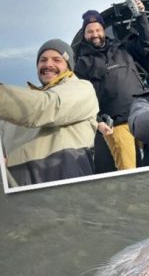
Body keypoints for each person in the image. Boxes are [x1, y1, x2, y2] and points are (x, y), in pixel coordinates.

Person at [0, 39, 98, 186]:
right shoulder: (18, 106)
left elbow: (47, 107)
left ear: (69, 66)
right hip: (17, 191)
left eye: (57, 59)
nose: (48, 64)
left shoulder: (82, 88)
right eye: (43, 60)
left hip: (63, 184)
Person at [74, 1, 149, 173]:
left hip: (142, 116)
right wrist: (97, 121)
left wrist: (141, 16)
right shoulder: (82, 63)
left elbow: (146, 44)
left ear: (103, 30)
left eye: (97, 30)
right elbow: (80, 98)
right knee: (128, 172)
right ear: (84, 35)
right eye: (90, 31)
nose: (94, 34)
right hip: (117, 125)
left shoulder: (122, 47)